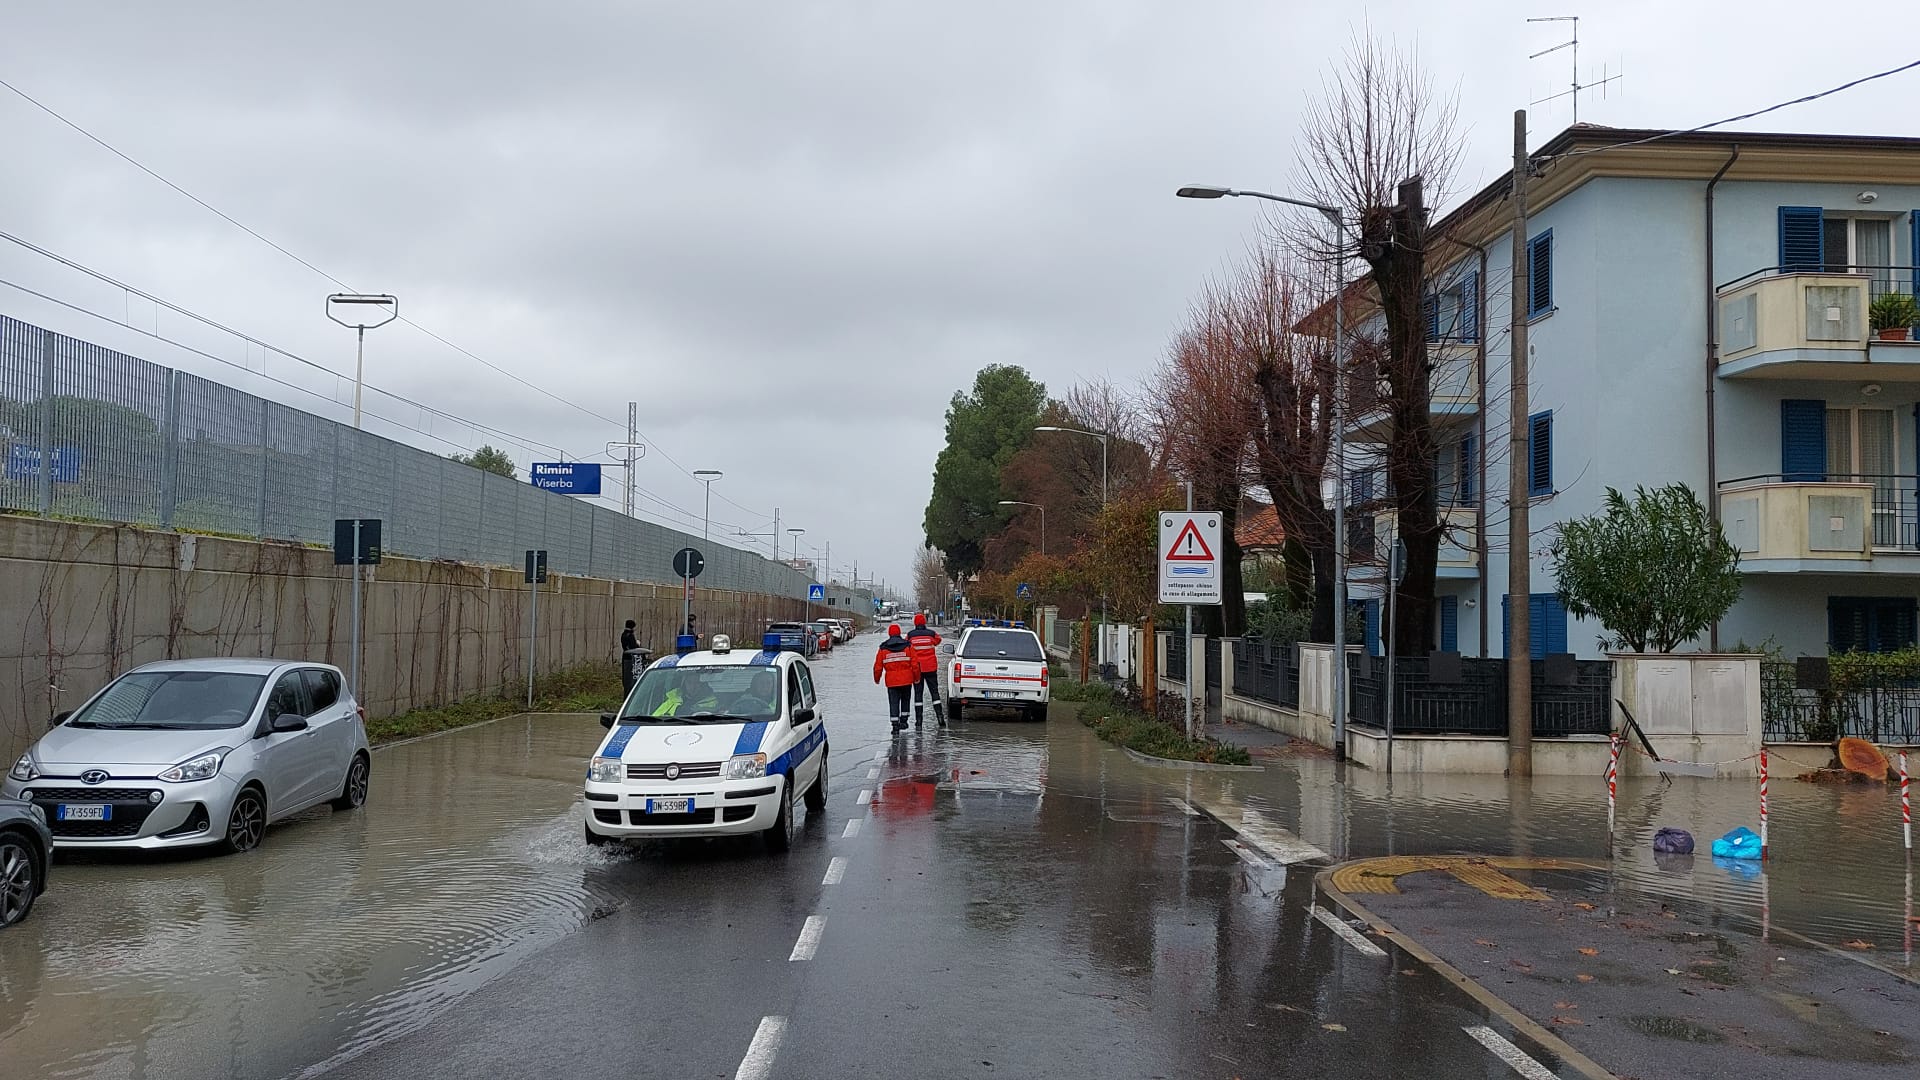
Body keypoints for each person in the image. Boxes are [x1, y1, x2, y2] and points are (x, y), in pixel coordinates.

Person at [873, 623, 918, 733]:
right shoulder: (908, 646)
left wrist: (877, 679)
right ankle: (904, 721)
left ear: (889, 634)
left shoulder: (883, 648)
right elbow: (915, 664)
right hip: (907, 680)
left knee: (893, 702)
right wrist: (916, 678)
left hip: (892, 681)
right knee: (905, 700)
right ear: (899, 633)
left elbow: (878, 667)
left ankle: (895, 725)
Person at [904, 612, 943, 726]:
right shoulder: (931, 634)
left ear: (915, 623)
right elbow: (938, 641)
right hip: (931, 668)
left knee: (918, 694)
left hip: (917, 669)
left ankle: (919, 721)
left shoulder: (910, 635)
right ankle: (940, 717)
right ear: (924, 622)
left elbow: (907, 647)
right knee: (934, 692)